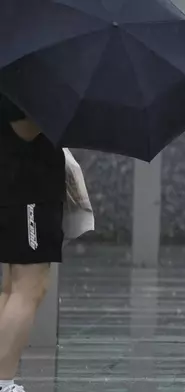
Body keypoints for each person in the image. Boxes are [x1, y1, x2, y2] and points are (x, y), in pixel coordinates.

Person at [0, 94, 66, 392]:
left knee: (14, 287)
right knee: (29, 285)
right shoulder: (22, 73)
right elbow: (24, 127)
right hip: (27, 191)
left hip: (22, 186)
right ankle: (2, 381)